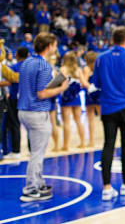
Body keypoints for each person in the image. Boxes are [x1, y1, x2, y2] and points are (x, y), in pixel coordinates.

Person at [17, 32, 70, 202]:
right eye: (54, 45)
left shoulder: (26, 62)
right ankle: (31, 189)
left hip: (23, 110)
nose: (56, 48)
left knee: (36, 151)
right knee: (37, 154)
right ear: (48, 46)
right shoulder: (45, 66)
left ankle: (38, 182)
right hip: (37, 112)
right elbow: (41, 93)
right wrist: (61, 88)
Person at [94, 26, 125, 201]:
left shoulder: (100, 59)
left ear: (112, 39)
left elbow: (97, 83)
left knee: (108, 145)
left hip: (108, 107)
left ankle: (106, 188)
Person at [59, 51, 90, 149]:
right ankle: (82, 143)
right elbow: (84, 83)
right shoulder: (78, 69)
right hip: (76, 96)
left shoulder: (63, 69)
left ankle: (65, 145)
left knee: (66, 122)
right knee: (78, 120)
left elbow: (60, 83)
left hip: (66, 96)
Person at [2, 46, 27, 159]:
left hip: (14, 98)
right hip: (29, 98)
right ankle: (32, 150)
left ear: (17, 55)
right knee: (30, 126)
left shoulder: (13, 67)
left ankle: (16, 151)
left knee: (14, 124)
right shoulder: (31, 67)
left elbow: (8, 80)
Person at [83, 51, 101, 148]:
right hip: (97, 92)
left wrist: (91, 88)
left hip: (91, 93)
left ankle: (91, 141)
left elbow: (85, 82)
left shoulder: (86, 68)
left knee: (90, 118)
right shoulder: (98, 67)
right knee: (103, 117)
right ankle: (106, 138)